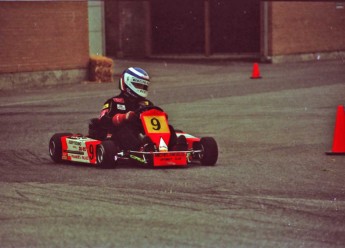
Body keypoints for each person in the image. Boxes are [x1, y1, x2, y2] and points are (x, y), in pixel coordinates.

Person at [89, 67, 186, 151]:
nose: (142, 88)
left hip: (142, 133)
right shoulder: (113, 102)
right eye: (138, 85)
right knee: (125, 130)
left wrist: (161, 118)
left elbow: (153, 123)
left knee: (169, 128)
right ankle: (142, 148)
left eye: (143, 86)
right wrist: (123, 118)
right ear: (127, 83)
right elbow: (102, 121)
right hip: (117, 136)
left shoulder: (147, 103)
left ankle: (173, 147)